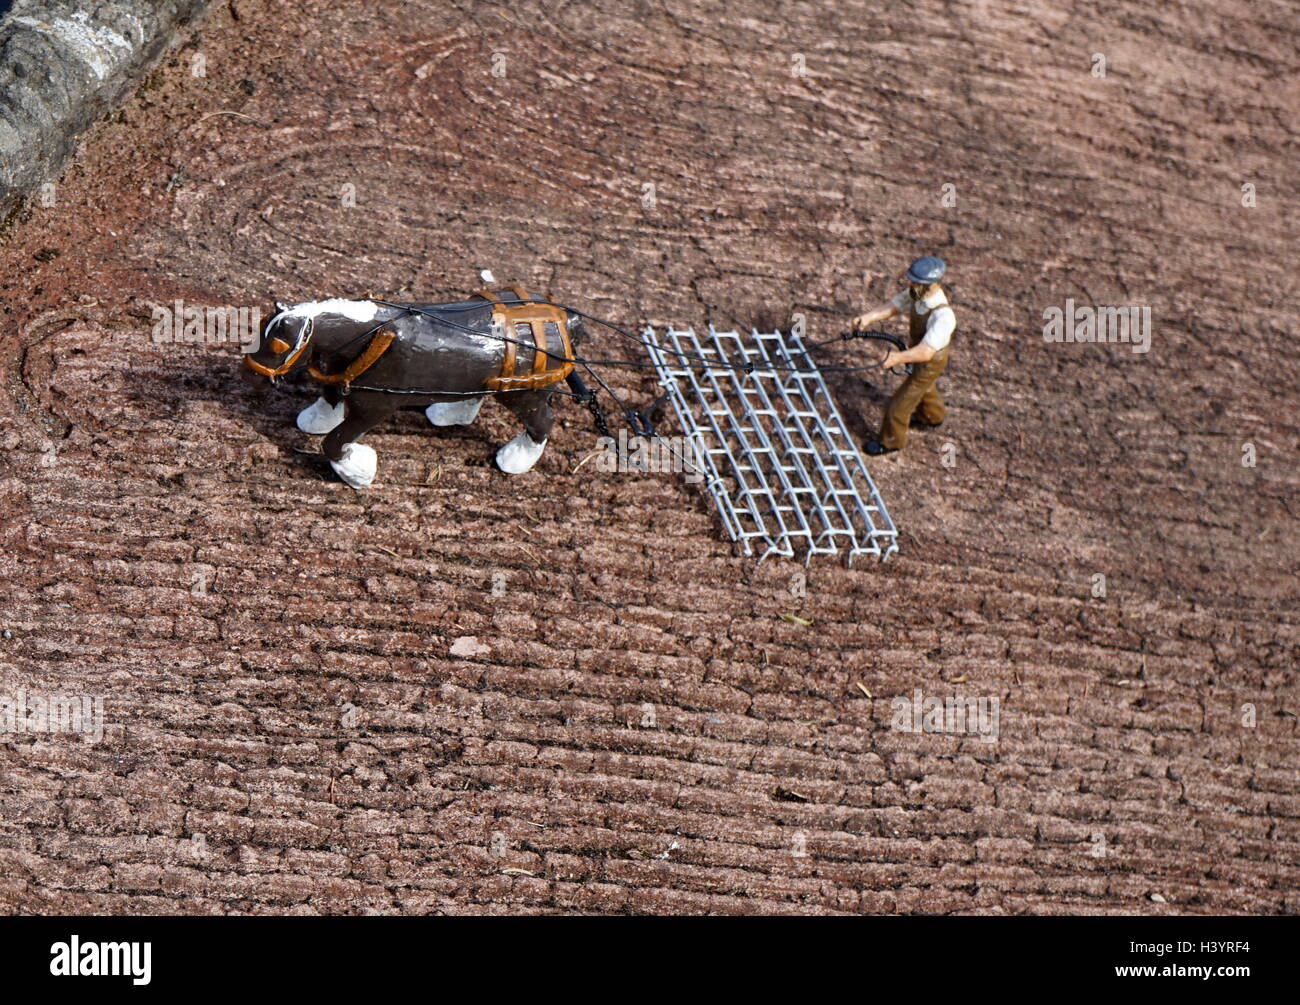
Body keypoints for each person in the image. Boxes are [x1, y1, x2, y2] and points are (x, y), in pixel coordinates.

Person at [851, 256, 954, 455]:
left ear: (933, 284)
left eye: (917, 282)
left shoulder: (943, 316)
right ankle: (932, 416)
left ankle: (891, 441)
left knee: (899, 404)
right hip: (917, 351)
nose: (912, 285)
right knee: (923, 386)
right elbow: (896, 305)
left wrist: (897, 358)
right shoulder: (918, 294)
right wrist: (868, 317)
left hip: (929, 360)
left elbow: (926, 352)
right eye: (913, 281)